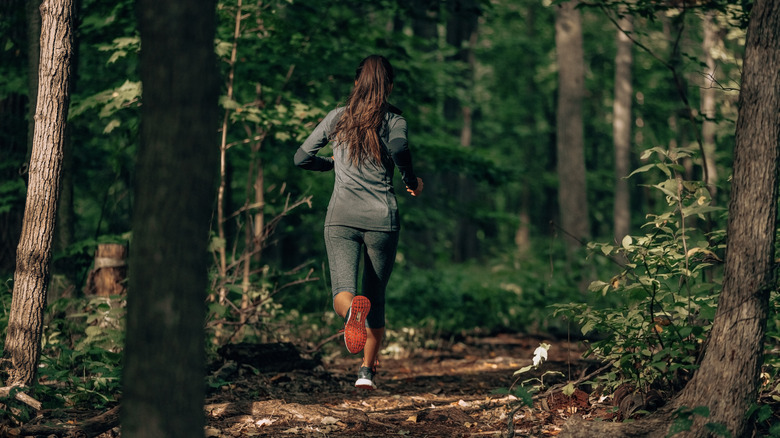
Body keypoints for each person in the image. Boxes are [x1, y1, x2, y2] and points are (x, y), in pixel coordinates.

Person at [294, 54, 423, 390]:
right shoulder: (394, 119)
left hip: (341, 219)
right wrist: (410, 179)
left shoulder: (337, 117)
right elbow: (400, 147)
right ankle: (365, 372)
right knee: (376, 296)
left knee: (343, 292)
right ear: (389, 87)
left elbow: (301, 157)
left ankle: (353, 312)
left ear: (356, 84)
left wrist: (332, 165)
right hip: (382, 219)